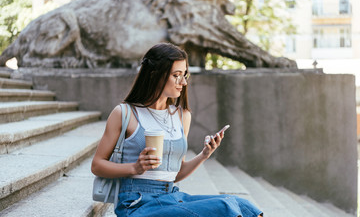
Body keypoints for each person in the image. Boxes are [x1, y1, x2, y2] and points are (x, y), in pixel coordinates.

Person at [91, 43, 263, 217]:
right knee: (223, 207)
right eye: (176, 75)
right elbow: (97, 165)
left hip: (171, 197)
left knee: (243, 205)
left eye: (185, 75)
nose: (184, 82)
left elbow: (176, 172)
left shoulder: (182, 116)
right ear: (155, 75)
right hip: (138, 203)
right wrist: (135, 168)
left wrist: (205, 154)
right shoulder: (125, 113)